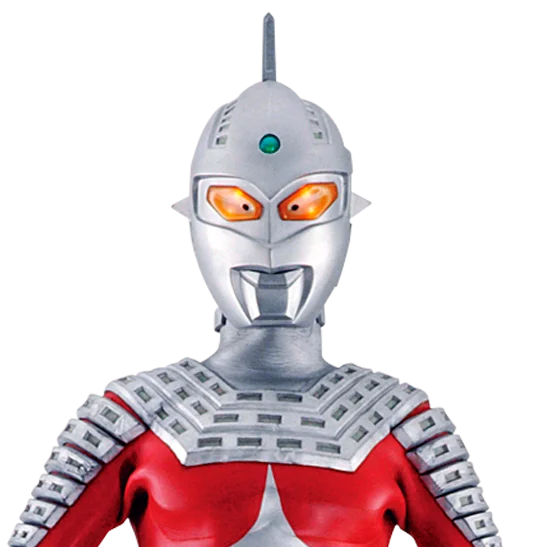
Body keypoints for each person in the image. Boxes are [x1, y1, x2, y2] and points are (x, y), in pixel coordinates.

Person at [9, 12, 501, 547]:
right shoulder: (133, 415)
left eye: (301, 207)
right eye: (239, 207)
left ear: (341, 213)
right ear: (198, 216)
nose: (270, 237)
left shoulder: (401, 422)